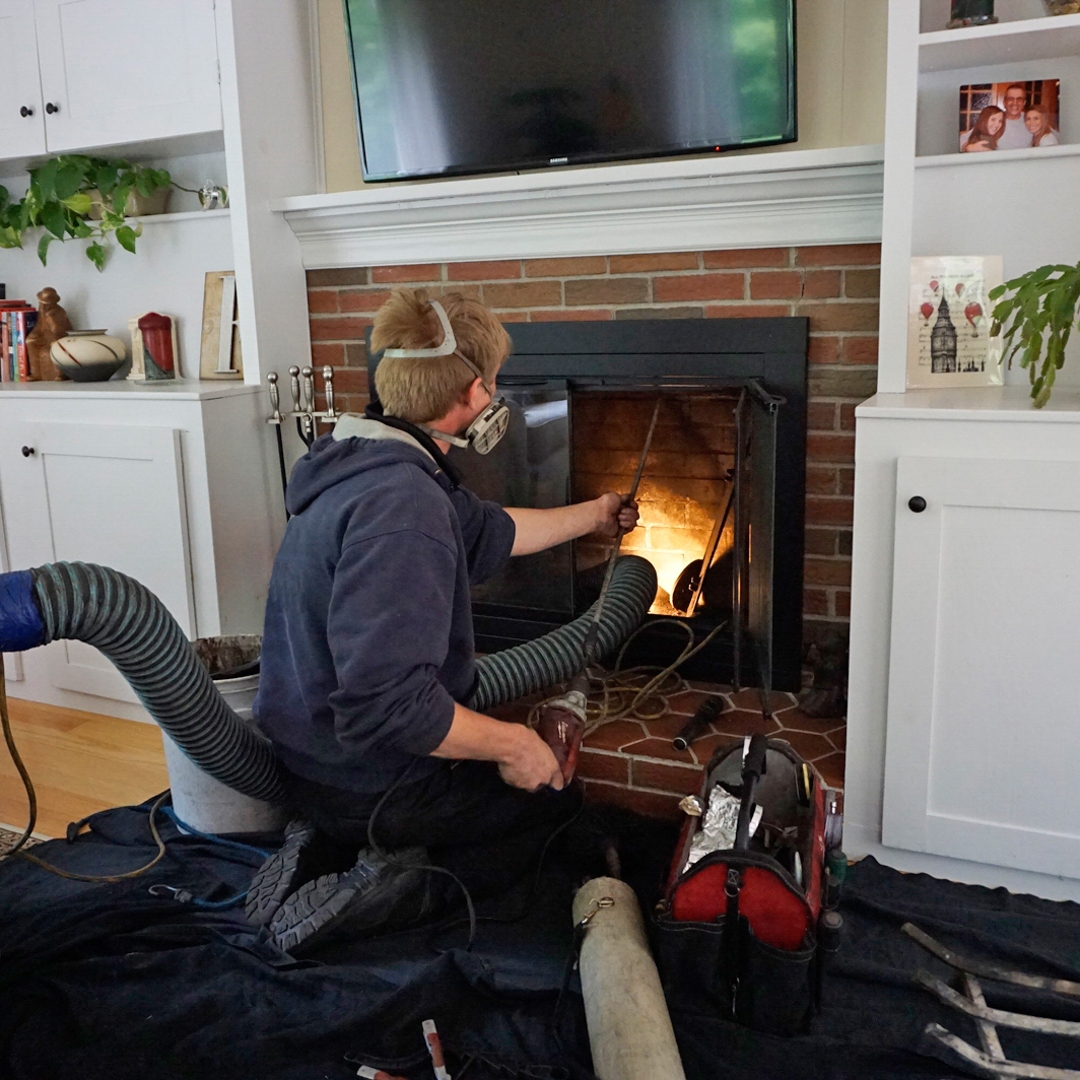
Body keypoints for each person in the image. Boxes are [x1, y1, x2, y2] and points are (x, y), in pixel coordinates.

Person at [249, 288, 641, 954]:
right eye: (490, 383)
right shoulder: (404, 508)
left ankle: (328, 840)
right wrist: (519, 749)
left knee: (503, 775)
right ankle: (378, 889)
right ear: (471, 388)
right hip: (367, 778)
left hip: (311, 762)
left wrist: (597, 514)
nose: (495, 396)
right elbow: (390, 709)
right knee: (552, 811)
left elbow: (493, 531)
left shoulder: (365, 460)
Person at [996, 84, 1034, 150]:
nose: (1015, 103)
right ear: (1004, 102)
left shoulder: (1031, 119)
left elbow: (1049, 135)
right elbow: (973, 137)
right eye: (1010, 99)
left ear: (1024, 103)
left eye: (1019, 99)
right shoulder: (994, 119)